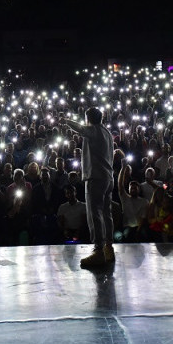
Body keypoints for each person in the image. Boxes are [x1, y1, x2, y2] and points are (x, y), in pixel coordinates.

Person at [61, 107, 115, 266]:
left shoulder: (94, 130)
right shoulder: (107, 133)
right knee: (107, 212)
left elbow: (80, 129)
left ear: (88, 119)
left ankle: (98, 250)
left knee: (95, 213)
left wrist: (65, 121)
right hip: (108, 177)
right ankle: (108, 248)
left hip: (96, 177)